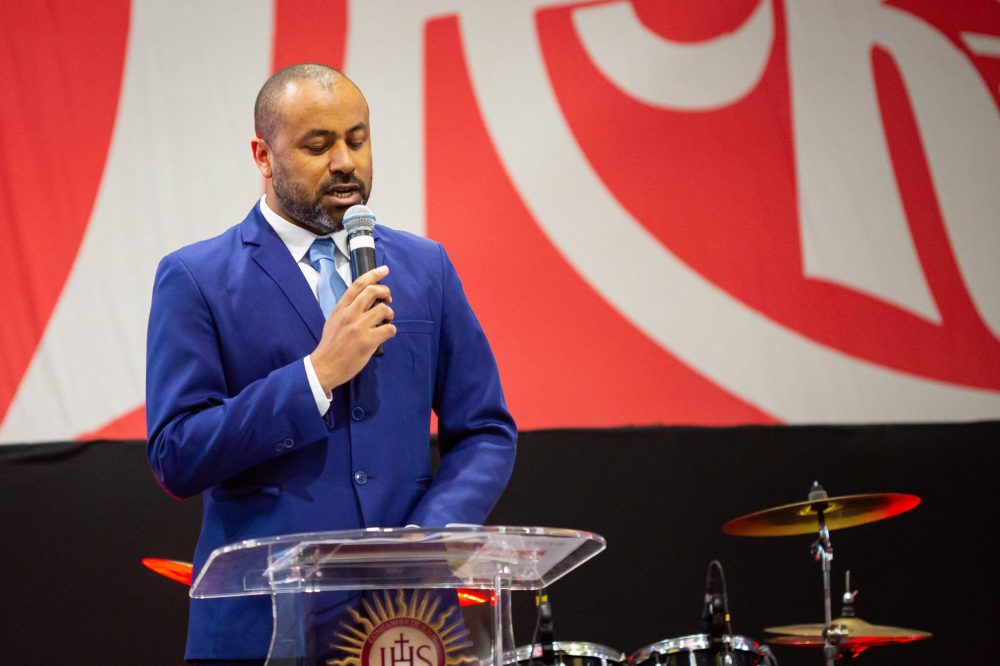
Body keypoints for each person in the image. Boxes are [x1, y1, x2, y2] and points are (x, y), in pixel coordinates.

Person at [145, 63, 517, 664]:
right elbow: (176, 454)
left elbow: (485, 431)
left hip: (409, 625)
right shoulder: (196, 278)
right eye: (318, 146)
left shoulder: (425, 266)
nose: (345, 162)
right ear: (263, 156)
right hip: (260, 626)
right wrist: (314, 376)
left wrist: (427, 540)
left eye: (357, 139)